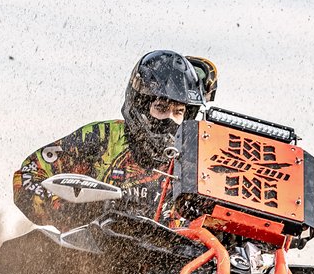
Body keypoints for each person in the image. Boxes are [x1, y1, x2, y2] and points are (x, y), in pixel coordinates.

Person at [12, 50, 213, 230]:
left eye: (178, 112)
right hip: (90, 249)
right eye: (161, 108)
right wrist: (67, 208)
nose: (170, 119)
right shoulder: (102, 137)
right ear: (140, 104)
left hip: (166, 257)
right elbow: (28, 174)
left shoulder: (192, 163)